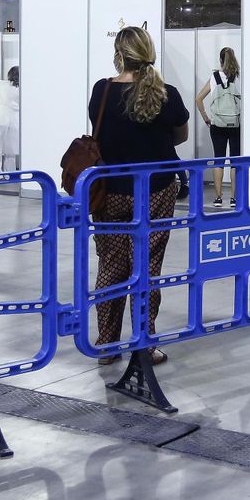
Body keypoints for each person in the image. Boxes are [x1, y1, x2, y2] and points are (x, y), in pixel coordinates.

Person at [89, 26, 189, 366]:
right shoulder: (167, 95)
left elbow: (100, 136)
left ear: (118, 54)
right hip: (156, 191)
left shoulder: (102, 92)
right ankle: (144, 342)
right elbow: (180, 136)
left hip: (111, 193)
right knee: (147, 269)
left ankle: (106, 343)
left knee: (111, 266)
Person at [194, 47, 242, 207]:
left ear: (221, 60)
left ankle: (218, 198)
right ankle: (234, 198)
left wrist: (206, 118)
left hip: (218, 124)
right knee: (235, 161)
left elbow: (198, 99)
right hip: (235, 124)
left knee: (219, 159)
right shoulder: (238, 77)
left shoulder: (215, 77)